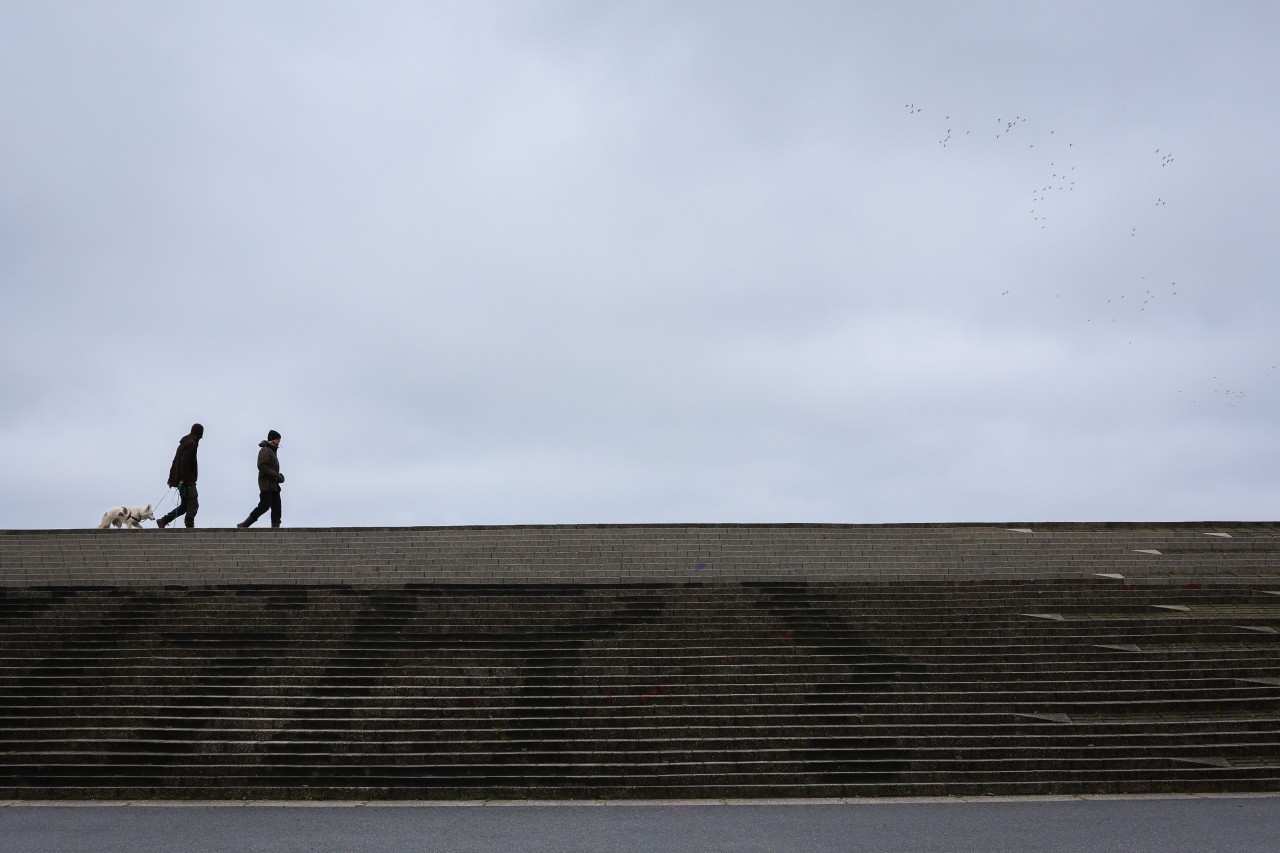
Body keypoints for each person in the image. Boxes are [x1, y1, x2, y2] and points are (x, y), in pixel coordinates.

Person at [157, 423, 203, 528]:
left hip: (181, 480)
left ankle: (163, 521)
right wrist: (183, 479)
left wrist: (171, 479)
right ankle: (189, 526)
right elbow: (184, 462)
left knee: (184, 506)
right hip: (187, 481)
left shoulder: (184, 443)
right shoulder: (192, 444)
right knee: (193, 504)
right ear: (199, 433)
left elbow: (175, 461)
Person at [237, 430, 285, 528]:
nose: (279, 441)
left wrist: (279, 477)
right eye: (278, 439)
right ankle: (244, 524)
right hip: (266, 485)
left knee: (277, 508)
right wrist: (276, 475)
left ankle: (276, 531)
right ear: (272, 439)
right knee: (264, 506)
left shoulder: (272, 451)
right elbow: (262, 466)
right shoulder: (265, 450)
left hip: (274, 485)